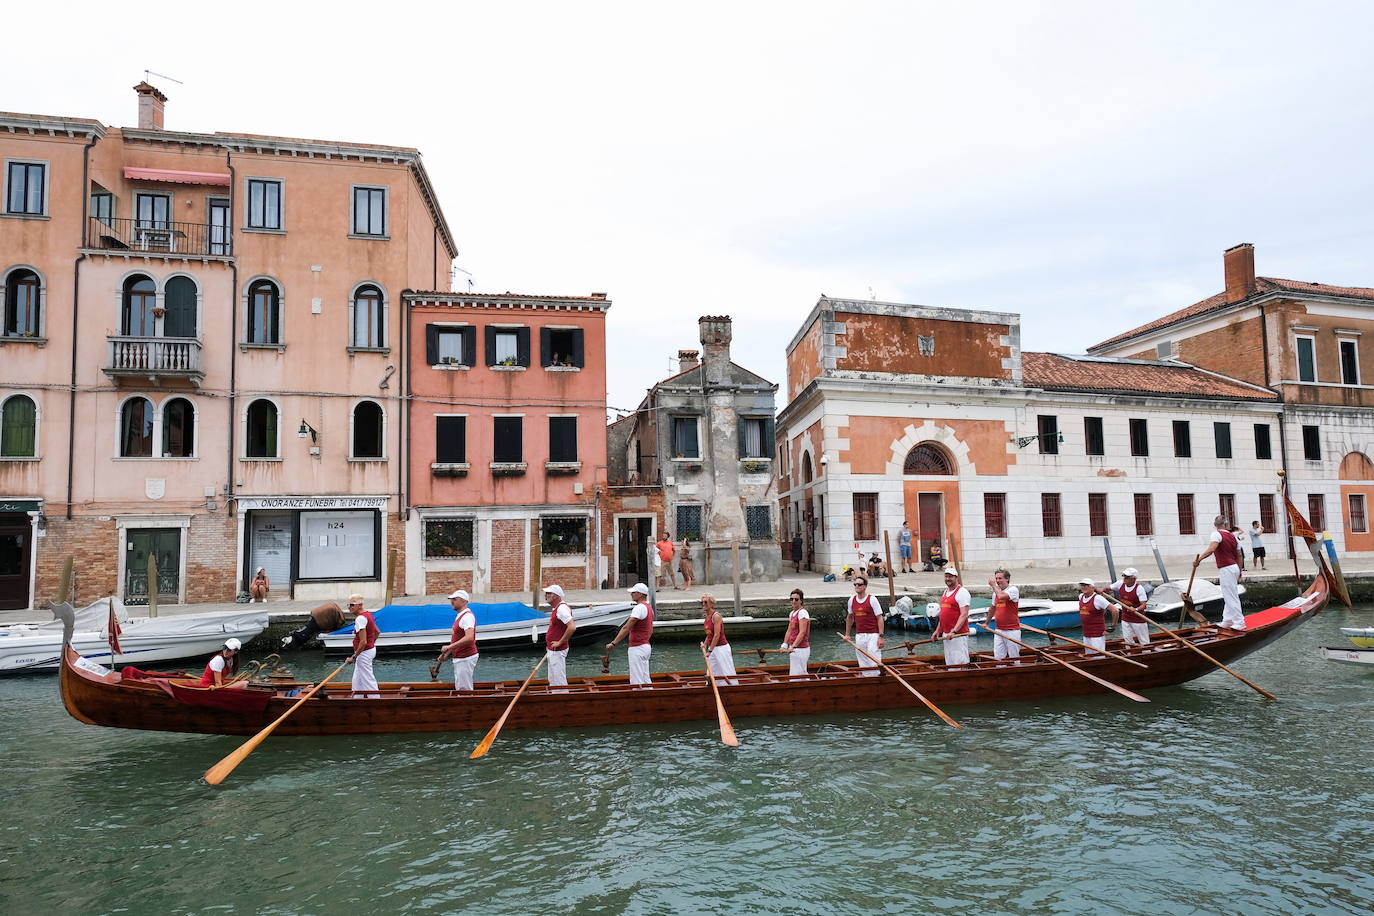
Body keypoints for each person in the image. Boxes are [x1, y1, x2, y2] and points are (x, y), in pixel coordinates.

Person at [1197, 516, 1245, 630]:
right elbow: (1239, 555)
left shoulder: (1216, 534)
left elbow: (1212, 549)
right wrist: (1239, 570)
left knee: (1230, 596)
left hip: (1226, 568)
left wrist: (1199, 560)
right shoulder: (1233, 537)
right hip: (1234, 567)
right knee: (1228, 594)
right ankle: (1227, 620)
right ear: (1226, 525)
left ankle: (1239, 621)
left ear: (1216, 525)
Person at [607, 583, 654, 685]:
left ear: (641, 594)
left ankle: (638, 699)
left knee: (636, 679)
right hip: (646, 646)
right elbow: (650, 629)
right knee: (645, 678)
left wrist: (614, 643)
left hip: (637, 648)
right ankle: (649, 695)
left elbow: (626, 627)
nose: (631, 594)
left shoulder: (639, 608)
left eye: (634, 592)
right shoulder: (649, 608)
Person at [843, 575, 884, 675]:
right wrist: (847, 634)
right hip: (860, 635)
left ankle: (876, 678)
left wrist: (881, 637)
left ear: (865, 586)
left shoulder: (872, 599)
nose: (857, 586)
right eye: (855, 584)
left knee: (873, 659)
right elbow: (850, 617)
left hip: (873, 635)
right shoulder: (851, 600)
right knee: (862, 661)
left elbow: (880, 618)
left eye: (859, 584)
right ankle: (867, 679)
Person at [437, 589, 479, 690]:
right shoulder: (460, 616)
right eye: (451, 599)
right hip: (460, 657)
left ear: (464, 601)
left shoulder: (467, 616)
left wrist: (449, 647)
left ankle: (467, 703)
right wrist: (448, 652)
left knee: (464, 688)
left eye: (455, 599)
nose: (452, 601)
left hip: (465, 656)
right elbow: (457, 638)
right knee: (461, 686)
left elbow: (469, 638)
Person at [934, 568, 972, 665]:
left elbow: (964, 614)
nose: (948, 579)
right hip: (947, 634)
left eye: (950, 577)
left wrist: (954, 631)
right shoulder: (945, 592)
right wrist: (938, 630)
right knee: (950, 662)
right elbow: (943, 615)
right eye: (946, 576)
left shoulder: (962, 592)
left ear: (956, 578)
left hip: (958, 635)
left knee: (959, 662)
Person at [344, 595, 380, 697]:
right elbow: (377, 632)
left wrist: (353, 657)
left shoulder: (360, 619)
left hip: (364, 653)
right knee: (357, 678)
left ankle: (376, 701)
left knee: (367, 679)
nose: (349, 607)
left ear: (360, 605)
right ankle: (357, 697)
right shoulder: (368, 614)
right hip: (368, 651)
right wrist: (371, 644)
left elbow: (363, 642)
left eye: (352, 605)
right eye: (348, 605)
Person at [699, 594, 737, 686]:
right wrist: (705, 644)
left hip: (721, 648)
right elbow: (709, 634)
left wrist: (709, 650)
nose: (703, 604)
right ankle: (713, 686)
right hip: (713, 649)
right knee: (711, 671)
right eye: (701, 602)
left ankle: (732, 687)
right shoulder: (707, 617)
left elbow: (716, 635)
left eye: (705, 602)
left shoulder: (716, 616)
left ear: (711, 604)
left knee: (726, 671)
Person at [543, 584, 576, 689]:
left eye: (549, 593)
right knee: (552, 678)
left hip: (557, 650)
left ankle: (562, 699)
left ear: (556, 596)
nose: (546, 595)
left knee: (558, 679)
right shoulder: (556, 608)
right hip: (552, 650)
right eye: (546, 593)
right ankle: (555, 697)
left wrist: (560, 642)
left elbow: (572, 627)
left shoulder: (561, 609)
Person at [1110, 567, 1152, 647]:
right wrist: (1101, 590)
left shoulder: (1139, 589)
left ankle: (1147, 653)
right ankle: (1129, 653)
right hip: (1125, 618)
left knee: (1143, 641)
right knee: (1127, 639)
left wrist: (1135, 609)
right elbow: (1107, 588)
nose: (1124, 578)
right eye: (1124, 576)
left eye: (1127, 577)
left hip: (1138, 620)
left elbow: (1143, 605)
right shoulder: (1120, 584)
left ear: (1133, 579)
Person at [988, 569, 1021, 661]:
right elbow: (992, 609)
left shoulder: (1013, 590)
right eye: (996, 579)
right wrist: (986, 623)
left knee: (1014, 657)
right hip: (999, 630)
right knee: (998, 657)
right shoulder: (996, 593)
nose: (998, 581)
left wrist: (994, 586)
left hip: (1012, 630)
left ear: (1007, 579)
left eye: (1000, 578)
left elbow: (1002, 596)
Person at [781, 588, 811, 677]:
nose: (793, 601)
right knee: (794, 674)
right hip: (793, 649)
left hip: (801, 649)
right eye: (792, 599)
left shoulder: (803, 613)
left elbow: (802, 632)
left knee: (801, 674)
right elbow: (789, 630)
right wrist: (784, 645)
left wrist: (793, 646)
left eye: (796, 599)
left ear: (801, 601)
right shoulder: (792, 613)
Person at [1076, 578, 1111, 654]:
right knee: (1089, 655)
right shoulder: (1081, 596)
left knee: (1098, 656)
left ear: (1092, 587)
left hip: (1097, 635)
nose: (1084, 587)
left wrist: (1112, 628)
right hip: (1086, 633)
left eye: (1086, 585)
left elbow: (1115, 610)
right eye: (1082, 585)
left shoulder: (1098, 599)